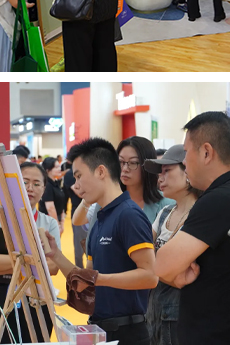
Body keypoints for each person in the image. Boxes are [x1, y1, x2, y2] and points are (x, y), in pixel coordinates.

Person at [153, 112, 230, 345]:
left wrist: (176, 273)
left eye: (186, 153)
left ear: (206, 152)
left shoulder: (220, 199)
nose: (185, 163)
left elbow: (162, 264)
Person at [43, 137, 158, 345]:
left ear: (101, 171)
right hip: (100, 330)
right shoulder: (99, 220)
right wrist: (56, 255)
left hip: (128, 333)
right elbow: (87, 281)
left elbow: (150, 276)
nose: (76, 186)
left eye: (79, 176)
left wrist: (100, 279)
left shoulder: (129, 215)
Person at [0, 162, 60, 343]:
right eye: (25, 182)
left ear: (44, 189)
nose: (30, 188)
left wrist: (6, 263)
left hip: (39, 294)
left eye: (37, 184)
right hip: (2, 290)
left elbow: (54, 267)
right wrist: (35, 261)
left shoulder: (49, 223)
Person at [142, 144, 203, 345]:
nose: (160, 178)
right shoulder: (164, 213)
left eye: (167, 171)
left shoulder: (200, 216)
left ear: (188, 170)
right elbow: (146, 262)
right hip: (154, 311)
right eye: (160, 173)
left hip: (181, 317)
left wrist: (157, 269)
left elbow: (167, 268)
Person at [117, 136, 174, 223]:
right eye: (121, 162)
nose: (125, 169)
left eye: (133, 163)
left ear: (147, 165)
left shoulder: (167, 205)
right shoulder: (108, 201)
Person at [61, 160, 88, 268]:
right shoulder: (69, 175)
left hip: (94, 210)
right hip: (78, 211)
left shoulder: (88, 171)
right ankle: (80, 272)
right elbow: (80, 193)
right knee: (79, 246)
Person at [39, 157, 66, 234]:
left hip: (57, 218)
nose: (59, 169)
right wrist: (57, 224)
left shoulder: (56, 183)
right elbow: (50, 207)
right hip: (48, 221)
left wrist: (62, 221)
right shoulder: (47, 185)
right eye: (56, 167)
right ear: (48, 170)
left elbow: (61, 202)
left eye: (59, 166)